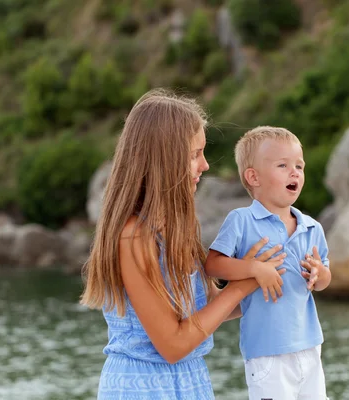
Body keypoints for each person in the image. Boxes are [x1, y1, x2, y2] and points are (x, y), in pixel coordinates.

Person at [79, 89, 288, 400]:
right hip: (143, 388)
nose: (204, 165)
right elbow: (173, 345)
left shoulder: (175, 227)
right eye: (194, 154)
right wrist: (239, 288)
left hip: (189, 382)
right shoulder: (133, 237)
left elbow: (207, 308)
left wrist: (266, 278)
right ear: (165, 159)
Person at [205, 126, 332, 400]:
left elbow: (324, 280)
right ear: (253, 177)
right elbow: (213, 264)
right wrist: (253, 268)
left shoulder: (311, 228)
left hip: (310, 346)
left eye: (299, 165)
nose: (295, 172)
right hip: (267, 350)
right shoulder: (241, 221)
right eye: (283, 165)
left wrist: (319, 274)